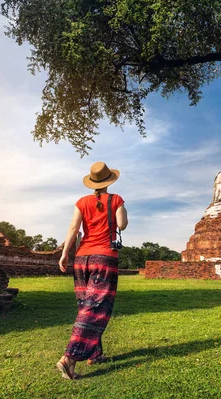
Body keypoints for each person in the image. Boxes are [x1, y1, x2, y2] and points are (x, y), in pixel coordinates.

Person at [56, 161, 128, 380]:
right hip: (104, 258)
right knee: (95, 308)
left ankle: (95, 353)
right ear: (109, 181)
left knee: (86, 306)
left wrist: (64, 253)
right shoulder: (116, 199)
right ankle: (69, 357)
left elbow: (73, 228)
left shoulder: (81, 202)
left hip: (82, 258)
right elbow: (122, 225)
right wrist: (118, 212)